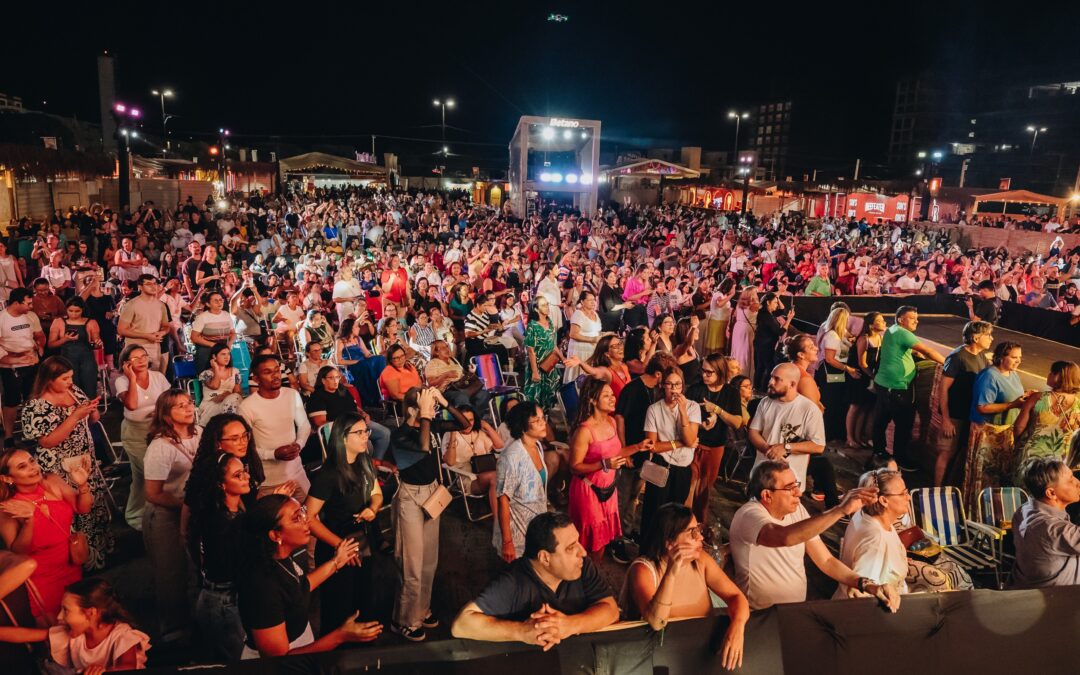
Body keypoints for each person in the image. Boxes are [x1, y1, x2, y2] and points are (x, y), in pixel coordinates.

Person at [728, 460, 900, 611]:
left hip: (794, 609)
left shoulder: (797, 510)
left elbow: (826, 560)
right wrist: (840, 510)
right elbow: (784, 537)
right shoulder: (749, 515)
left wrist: (866, 584)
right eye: (790, 488)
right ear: (767, 495)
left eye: (797, 485)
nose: (799, 493)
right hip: (760, 614)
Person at [236, 494, 381, 657]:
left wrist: (336, 562)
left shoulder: (284, 555)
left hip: (300, 641)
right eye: (297, 518)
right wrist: (341, 635)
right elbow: (278, 660)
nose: (307, 520)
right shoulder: (262, 587)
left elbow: (301, 587)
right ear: (275, 535)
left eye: (303, 511)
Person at [451, 511, 619, 651]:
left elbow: (611, 609)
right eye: (570, 547)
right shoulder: (514, 581)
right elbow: (461, 625)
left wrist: (569, 625)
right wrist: (522, 631)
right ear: (545, 558)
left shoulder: (581, 565)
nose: (582, 552)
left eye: (578, 542)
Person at [623, 503, 749, 671]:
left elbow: (737, 597)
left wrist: (738, 626)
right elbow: (656, 622)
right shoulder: (643, 570)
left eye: (698, 529)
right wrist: (671, 572)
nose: (701, 538)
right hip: (658, 658)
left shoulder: (701, 560)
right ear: (669, 542)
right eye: (692, 532)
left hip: (698, 651)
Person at [388, 387, 468, 641]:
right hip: (410, 498)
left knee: (429, 562)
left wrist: (444, 403)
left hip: (432, 494)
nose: (432, 410)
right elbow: (423, 447)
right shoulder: (400, 435)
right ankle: (404, 620)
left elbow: (463, 423)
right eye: (427, 405)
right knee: (412, 563)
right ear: (414, 409)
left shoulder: (431, 426)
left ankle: (421, 610)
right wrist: (425, 415)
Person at [306, 411, 392, 633]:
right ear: (343, 438)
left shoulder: (364, 462)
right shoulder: (328, 474)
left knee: (363, 601)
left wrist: (372, 509)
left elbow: (376, 494)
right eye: (360, 432)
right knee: (339, 609)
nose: (366, 437)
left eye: (366, 431)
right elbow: (309, 517)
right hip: (339, 546)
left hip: (363, 543)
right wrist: (339, 546)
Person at [21, 357, 111, 568]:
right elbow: (47, 441)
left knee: (91, 505)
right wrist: (74, 416)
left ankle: (95, 556)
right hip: (57, 468)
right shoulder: (36, 406)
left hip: (84, 462)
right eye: (64, 378)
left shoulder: (75, 391)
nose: (70, 381)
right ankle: (74, 560)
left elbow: (93, 419)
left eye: (71, 377)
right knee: (70, 511)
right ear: (49, 380)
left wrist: (91, 410)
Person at [0, 449, 92, 619]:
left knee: (81, 620)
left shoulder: (52, 481)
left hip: (72, 565)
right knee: (57, 629)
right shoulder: (8, 507)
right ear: (7, 478)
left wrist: (83, 485)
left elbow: (83, 508)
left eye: (31, 461)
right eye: (22, 466)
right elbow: (18, 552)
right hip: (43, 577)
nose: (33, 467)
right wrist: (29, 521)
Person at [568, 378, 651, 562]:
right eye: (606, 395)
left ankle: (591, 578)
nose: (613, 398)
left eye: (612, 394)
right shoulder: (584, 431)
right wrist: (604, 464)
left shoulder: (612, 422)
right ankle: (579, 580)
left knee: (602, 541)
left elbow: (617, 452)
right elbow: (574, 467)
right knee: (586, 543)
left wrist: (638, 446)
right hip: (588, 491)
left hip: (609, 490)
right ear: (592, 400)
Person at [142, 390, 200, 644]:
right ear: (166, 415)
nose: (188, 408)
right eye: (180, 406)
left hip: (192, 509)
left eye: (189, 403)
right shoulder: (160, 447)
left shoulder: (201, 433)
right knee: (170, 572)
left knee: (195, 566)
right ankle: (173, 629)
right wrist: (187, 506)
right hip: (166, 515)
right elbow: (153, 493)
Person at [0, 577, 150, 672]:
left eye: (66, 610)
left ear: (90, 613)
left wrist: (102, 671)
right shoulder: (72, 633)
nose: (59, 616)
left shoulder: (121, 634)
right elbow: (24, 634)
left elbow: (128, 667)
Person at [183, 451, 250, 661]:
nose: (247, 477)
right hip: (223, 603)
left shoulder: (229, 511)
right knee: (236, 663)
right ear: (221, 484)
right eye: (238, 475)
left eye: (244, 471)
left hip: (221, 599)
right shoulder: (220, 522)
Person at [872, 306, 945, 469]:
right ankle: (899, 459)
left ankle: (878, 454)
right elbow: (928, 350)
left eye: (916, 318)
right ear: (900, 319)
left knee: (881, 421)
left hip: (885, 384)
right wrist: (948, 364)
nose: (916, 321)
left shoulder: (892, 330)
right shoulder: (903, 333)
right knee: (903, 424)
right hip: (897, 385)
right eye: (912, 318)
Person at [964, 341, 1034, 504]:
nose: (1018, 361)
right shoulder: (989, 376)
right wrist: (1013, 404)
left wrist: (1025, 396)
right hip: (989, 432)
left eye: (1020, 358)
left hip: (1005, 431)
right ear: (1001, 358)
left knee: (1000, 473)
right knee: (986, 474)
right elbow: (982, 407)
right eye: (1014, 357)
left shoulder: (1012, 373)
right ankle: (980, 507)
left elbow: (1011, 395)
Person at [238, 355, 312, 499]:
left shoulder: (291, 394)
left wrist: (299, 444)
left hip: (297, 474)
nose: (275, 375)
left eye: (277, 370)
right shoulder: (247, 407)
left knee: (310, 517)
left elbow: (304, 424)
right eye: (267, 372)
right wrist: (273, 454)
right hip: (268, 481)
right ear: (256, 379)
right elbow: (245, 448)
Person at [640, 367, 701, 542]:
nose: (674, 389)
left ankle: (670, 552)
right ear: (663, 386)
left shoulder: (692, 407)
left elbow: (690, 438)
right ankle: (648, 551)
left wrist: (682, 411)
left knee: (676, 517)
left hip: (683, 468)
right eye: (670, 384)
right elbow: (652, 446)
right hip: (661, 465)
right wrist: (680, 443)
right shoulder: (654, 409)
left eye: (678, 384)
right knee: (654, 512)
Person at [115, 344, 172, 530]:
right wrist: (132, 379)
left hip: (158, 430)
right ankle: (136, 514)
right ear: (126, 363)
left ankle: (148, 510)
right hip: (135, 433)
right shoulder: (121, 381)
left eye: (144, 356)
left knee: (152, 473)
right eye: (135, 358)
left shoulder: (158, 377)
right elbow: (131, 404)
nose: (141, 360)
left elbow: (168, 402)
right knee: (145, 472)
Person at [748, 363, 826, 489]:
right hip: (761, 476)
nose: (771, 382)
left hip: (789, 482)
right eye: (771, 377)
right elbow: (753, 431)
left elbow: (818, 446)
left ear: (792, 384)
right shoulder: (765, 402)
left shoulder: (809, 409)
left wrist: (786, 447)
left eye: (777, 379)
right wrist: (768, 449)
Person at [834, 469, 910, 598]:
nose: (908, 497)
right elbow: (860, 594)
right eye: (903, 494)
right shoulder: (875, 539)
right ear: (884, 500)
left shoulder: (865, 514)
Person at [934, 321, 993, 487]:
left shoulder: (981, 355)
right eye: (988, 335)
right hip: (955, 415)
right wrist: (946, 419)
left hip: (970, 415)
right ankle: (937, 490)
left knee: (960, 453)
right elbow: (943, 388)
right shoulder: (957, 357)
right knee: (947, 453)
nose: (991, 338)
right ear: (975, 337)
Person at [496, 400, 553, 563]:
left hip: (536, 528)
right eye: (537, 420)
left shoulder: (536, 446)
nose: (543, 423)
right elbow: (503, 501)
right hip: (518, 532)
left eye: (543, 418)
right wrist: (508, 542)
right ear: (522, 426)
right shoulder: (512, 456)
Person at [1011, 457, 1080, 588]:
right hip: (1053, 602)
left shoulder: (1025, 509)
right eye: (1070, 480)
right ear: (1051, 493)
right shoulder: (1050, 529)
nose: (1078, 482)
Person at [1013, 361, 1080, 478]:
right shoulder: (1078, 405)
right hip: (1061, 460)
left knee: (1028, 491)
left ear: (1059, 376)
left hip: (1032, 456)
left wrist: (1018, 445)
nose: (1048, 375)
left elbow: (1019, 426)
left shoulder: (1038, 398)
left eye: (1052, 373)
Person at [0, 288, 46, 445]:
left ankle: (32, 431)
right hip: (10, 367)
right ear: (15, 303)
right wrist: (15, 358)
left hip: (31, 364)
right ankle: (8, 436)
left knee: (32, 398)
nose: (31, 306)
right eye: (28, 303)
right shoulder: (2, 319)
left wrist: (39, 346)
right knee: (11, 401)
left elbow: (40, 336)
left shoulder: (31, 317)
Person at [442, 404, 503, 522]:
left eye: (471, 420)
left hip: (486, 470)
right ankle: (500, 522)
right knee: (497, 478)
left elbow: (500, 446)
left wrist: (486, 426)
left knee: (498, 478)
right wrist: (453, 433)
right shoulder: (449, 435)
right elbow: (449, 462)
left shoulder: (479, 432)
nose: (468, 424)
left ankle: (500, 520)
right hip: (467, 477)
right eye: (464, 420)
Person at [817, 305, 860, 443]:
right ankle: (828, 435)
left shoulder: (838, 332)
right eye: (846, 319)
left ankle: (834, 434)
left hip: (836, 373)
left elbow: (848, 336)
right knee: (830, 404)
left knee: (836, 404)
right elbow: (830, 359)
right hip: (831, 373)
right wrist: (848, 369)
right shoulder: (831, 336)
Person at [47, 297, 101, 398]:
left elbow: (96, 342)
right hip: (67, 359)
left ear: (82, 310)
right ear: (66, 309)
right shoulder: (59, 322)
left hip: (87, 359)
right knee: (70, 388)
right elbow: (51, 344)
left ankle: (90, 410)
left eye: (77, 311)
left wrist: (98, 343)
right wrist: (65, 339)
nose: (74, 314)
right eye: (70, 311)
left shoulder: (91, 322)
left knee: (89, 386)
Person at [116, 274, 170, 373]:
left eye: (155, 283)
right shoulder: (131, 305)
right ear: (140, 287)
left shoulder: (161, 305)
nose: (153, 286)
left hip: (154, 347)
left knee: (153, 379)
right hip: (135, 349)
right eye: (148, 284)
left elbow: (166, 326)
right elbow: (121, 330)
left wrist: (161, 333)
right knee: (136, 380)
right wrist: (146, 336)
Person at [848, 311, 885, 450]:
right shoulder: (864, 339)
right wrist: (873, 376)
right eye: (880, 320)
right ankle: (850, 438)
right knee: (855, 406)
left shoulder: (879, 338)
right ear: (871, 325)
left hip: (869, 376)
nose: (884, 323)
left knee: (865, 407)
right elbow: (862, 363)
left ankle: (859, 437)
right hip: (859, 375)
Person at [522, 296, 565, 411]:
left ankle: (546, 420)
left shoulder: (549, 322)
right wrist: (535, 372)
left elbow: (553, 344)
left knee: (550, 394)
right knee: (535, 397)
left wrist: (563, 358)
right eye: (543, 305)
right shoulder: (532, 326)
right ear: (536, 309)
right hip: (536, 365)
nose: (547, 307)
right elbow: (530, 350)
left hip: (549, 365)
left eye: (547, 304)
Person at [335, 317, 386, 407]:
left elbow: (367, 354)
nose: (359, 328)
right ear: (350, 328)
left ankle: (383, 384)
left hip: (364, 363)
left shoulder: (358, 339)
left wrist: (375, 357)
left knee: (381, 359)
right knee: (367, 365)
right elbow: (338, 360)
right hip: (352, 366)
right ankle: (373, 396)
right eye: (356, 326)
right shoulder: (340, 341)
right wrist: (355, 361)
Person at [753, 292, 792, 393]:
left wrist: (778, 299)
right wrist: (789, 320)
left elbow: (783, 310)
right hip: (764, 345)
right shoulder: (765, 315)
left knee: (761, 366)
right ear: (768, 302)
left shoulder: (769, 312)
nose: (776, 305)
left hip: (763, 343)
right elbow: (780, 332)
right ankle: (763, 389)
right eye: (774, 302)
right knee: (769, 367)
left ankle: (757, 388)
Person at [190, 290, 236, 375]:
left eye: (221, 300)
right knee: (206, 376)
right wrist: (213, 345)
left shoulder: (226, 315)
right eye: (216, 301)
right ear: (208, 304)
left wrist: (229, 344)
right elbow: (194, 337)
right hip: (206, 351)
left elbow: (233, 333)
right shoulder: (202, 317)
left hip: (223, 349)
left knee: (228, 374)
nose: (219, 302)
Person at [197, 343, 243, 422]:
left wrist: (227, 394)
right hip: (212, 404)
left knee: (235, 398)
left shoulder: (236, 372)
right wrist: (216, 369)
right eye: (223, 354)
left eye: (228, 354)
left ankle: (231, 425)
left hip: (231, 402)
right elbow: (215, 386)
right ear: (214, 356)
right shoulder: (205, 374)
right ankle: (229, 424)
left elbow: (238, 392)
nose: (227, 357)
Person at [564, 290, 602, 383]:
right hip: (580, 351)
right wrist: (592, 339)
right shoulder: (578, 314)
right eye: (590, 300)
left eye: (594, 300)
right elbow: (573, 334)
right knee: (580, 378)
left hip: (593, 351)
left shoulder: (595, 314)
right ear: (582, 302)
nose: (593, 302)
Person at [729, 288, 758, 384]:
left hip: (738, 328)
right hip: (747, 330)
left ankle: (734, 373)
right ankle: (744, 375)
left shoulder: (739, 304)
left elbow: (734, 316)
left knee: (738, 352)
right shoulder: (754, 305)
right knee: (746, 353)